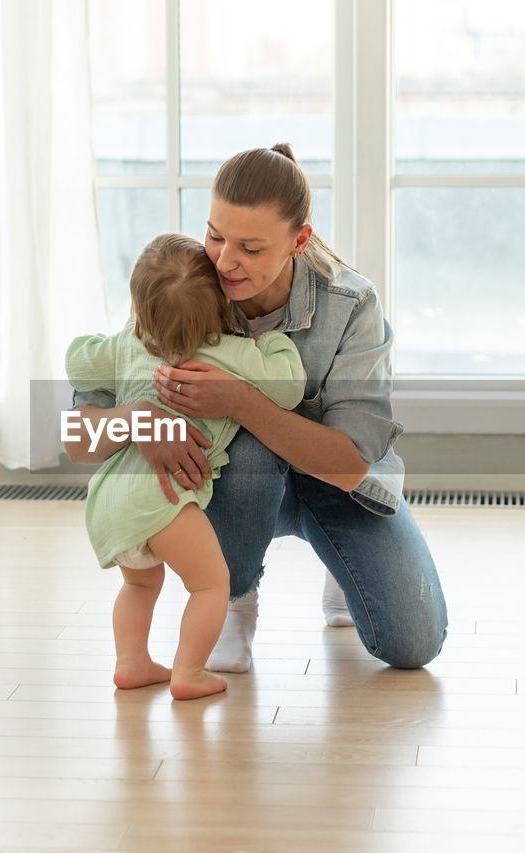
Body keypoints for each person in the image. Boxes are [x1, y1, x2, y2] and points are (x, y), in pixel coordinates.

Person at [71, 144, 448, 673]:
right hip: (233, 485)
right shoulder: (183, 282)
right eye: (216, 235)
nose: (224, 261)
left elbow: (351, 466)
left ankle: (338, 563)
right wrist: (137, 418)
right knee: (249, 453)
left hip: (336, 483)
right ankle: (234, 597)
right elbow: (76, 440)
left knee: (413, 644)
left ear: (299, 240)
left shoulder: (351, 305)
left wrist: (240, 399)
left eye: (249, 247)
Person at [65, 233, 306, 699]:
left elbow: (78, 362)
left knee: (139, 585)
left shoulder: (127, 344)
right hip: (166, 499)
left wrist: (122, 335)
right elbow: (290, 385)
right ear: (219, 309)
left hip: (112, 497)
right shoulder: (231, 354)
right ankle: (189, 672)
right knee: (210, 586)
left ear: (139, 307)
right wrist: (271, 342)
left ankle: (132, 663)